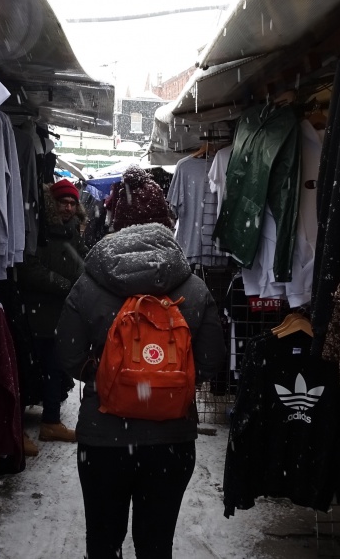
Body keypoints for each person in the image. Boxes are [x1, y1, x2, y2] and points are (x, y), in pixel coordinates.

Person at [56, 166, 226, 559]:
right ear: (165, 222)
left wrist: (109, 379)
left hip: (104, 438)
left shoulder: (90, 282)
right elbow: (213, 361)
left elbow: (66, 353)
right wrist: (167, 381)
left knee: (102, 542)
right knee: (155, 545)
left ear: (116, 222)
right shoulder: (193, 287)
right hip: (170, 440)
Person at [15, 178, 88, 452]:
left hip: (61, 313)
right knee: (30, 369)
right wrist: (63, 284)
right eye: (62, 202)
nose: (67, 208)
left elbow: (82, 260)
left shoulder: (72, 231)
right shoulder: (38, 230)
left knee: (55, 369)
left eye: (71, 203)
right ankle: (18, 429)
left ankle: (51, 423)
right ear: (52, 203)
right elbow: (29, 267)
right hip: (36, 313)